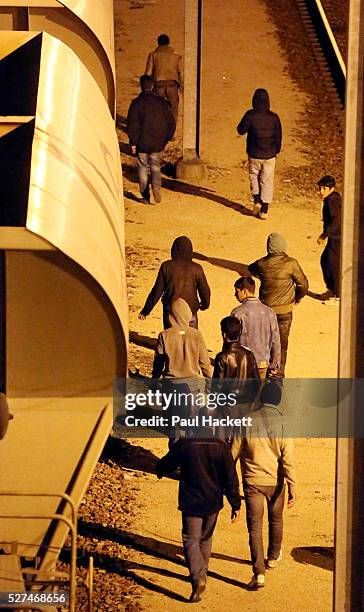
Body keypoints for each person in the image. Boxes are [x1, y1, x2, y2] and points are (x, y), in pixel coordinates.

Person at [155, 436, 241, 602]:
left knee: (190, 540)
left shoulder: (186, 444)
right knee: (206, 539)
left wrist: (159, 469)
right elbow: (230, 478)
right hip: (213, 500)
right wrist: (235, 504)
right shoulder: (222, 447)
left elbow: (169, 462)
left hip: (191, 501)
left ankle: (198, 578)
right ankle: (203, 573)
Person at [236, 381, 296, 589]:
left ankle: (258, 572)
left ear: (261, 399)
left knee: (255, 527)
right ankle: (272, 556)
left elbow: (233, 452)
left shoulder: (246, 421)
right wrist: (293, 487)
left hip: (252, 480)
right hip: (276, 481)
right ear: (278, 401)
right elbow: (287, 458)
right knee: (276, 520)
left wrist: (227, 480)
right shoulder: (283, 424)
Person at [152, 298, 212, 443]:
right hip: (193, 388)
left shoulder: (164, 335)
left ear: (171, 315)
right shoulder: (196, 335)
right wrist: (210, 383)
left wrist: (154, 382)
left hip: (170, 387)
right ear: (187, 315)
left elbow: (158, 363)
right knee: (191, 427)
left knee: (173, 429)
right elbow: (205, 363)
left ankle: (175, 458)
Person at [248, 233, 308, 377]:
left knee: (265, 341)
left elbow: (251, 269)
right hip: (285, 310)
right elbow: (303, 284)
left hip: (266, 311)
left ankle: (263, 369)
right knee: (282, 343)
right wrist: (297, 297)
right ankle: (278, 373)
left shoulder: (261, 264)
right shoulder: (291, 263)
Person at [139, 236, 210, 329]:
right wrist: (205, 304)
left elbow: (156, 291)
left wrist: (146, 310)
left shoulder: (166, 266)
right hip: (190, 310)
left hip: (171, 311)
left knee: (171, 339)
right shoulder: (197, 268)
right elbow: (205, 290)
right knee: (191, 339)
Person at [126, 75, 175, 204]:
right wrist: (167, 138)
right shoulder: (162, 103)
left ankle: (145, 196)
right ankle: (156, 186)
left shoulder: (136, 103)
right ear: (153, 86)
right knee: (155, 165)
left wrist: (133, 142)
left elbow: (132, 124)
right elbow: (170, 122)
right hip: (157, 141)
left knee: (142, 167)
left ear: (141, 86)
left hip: (142, 142)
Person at [237, 88, 282, 220]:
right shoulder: (274, 117)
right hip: (270, 155)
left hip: (254, 153)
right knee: (267, 180)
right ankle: (265, 209)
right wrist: (275, 150)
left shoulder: (250, 115)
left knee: (254, 176)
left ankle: (257, 201)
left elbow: (240, 130)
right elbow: (279, 137)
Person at [212, 316, 260, 440]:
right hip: (247, 406)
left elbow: (217, 387)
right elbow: (257, 382)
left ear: (224, 334)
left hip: (227, 406)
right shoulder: (249, 355)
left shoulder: (222, 357)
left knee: (223, 443)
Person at [231, 276, 281, 379]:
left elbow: (231, 340)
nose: (235, 295)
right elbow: (275, 340)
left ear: (244, 291)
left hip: (243, 364)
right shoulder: (269, 312)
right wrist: (274, 364)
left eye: (237, 291)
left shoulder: (237, 313)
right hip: (262, 363)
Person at [145, 34, 183, 123]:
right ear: (168, 43)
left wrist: (146, 88)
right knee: (173, 109)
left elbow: (148, 73)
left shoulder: (153, 55)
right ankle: (171, 131)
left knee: (158, 109)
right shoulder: (177, 56)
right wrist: (182, 86)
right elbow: (181, 73)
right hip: (172, 85)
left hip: (158, 85)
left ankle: (160, 129)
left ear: (158, 43)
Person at [317, 175, 341, 305]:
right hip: (334, 236)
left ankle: (338, 295)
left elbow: (337, 219)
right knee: (325, 260)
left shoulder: (333, 201)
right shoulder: (331, 199)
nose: (321, 191)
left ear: (332, 188)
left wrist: (325, 234)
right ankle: (332, 290)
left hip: (338, 238)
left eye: (324, 188)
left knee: (333, 264)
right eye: (320, 188)